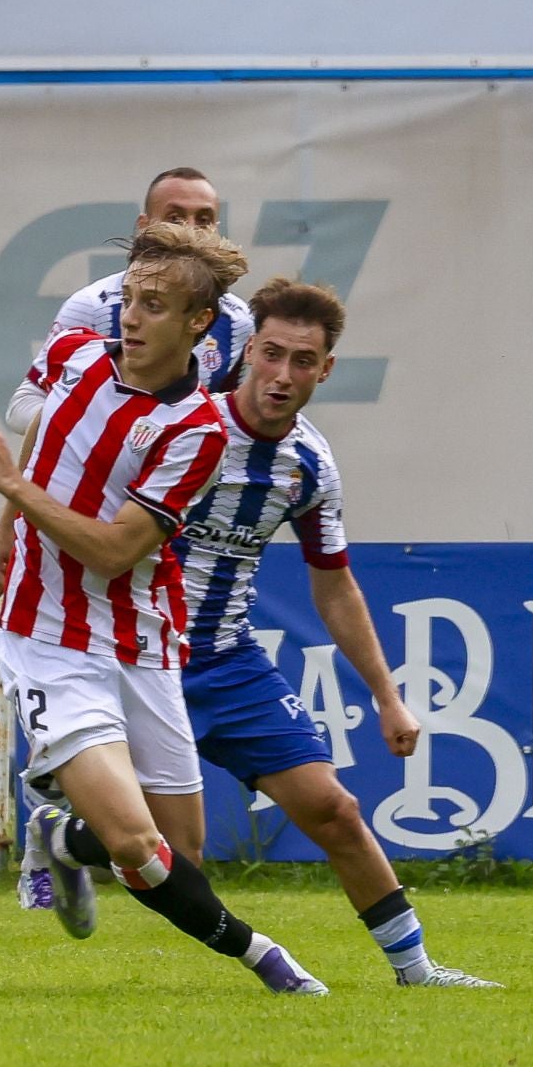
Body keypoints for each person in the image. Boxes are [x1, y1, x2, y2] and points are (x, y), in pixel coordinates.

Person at [0, 223, 327, 994]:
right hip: (47, 641)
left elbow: (112, 550)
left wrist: (9, 486)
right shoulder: (72, 359)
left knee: (181, 853)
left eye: (155, 305)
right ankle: (270, 961)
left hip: (141, 640)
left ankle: (63, 837)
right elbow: (40, 470)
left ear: (199, 322)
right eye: (129, 299)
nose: (130, 318)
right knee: (140, 847)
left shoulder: (197, 430)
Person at [169, 277, 499, 988]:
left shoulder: (310, 465)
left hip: (226, 659)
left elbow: (334, 582)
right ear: (247, 350)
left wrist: (387, 696)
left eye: (303, 361)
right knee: (172, 851)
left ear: (326, 370)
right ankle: (70, 836)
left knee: (334, 807)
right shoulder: (179, 424)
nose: (283, 375)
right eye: (272, 354)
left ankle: (416, 970)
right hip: (140, 656)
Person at [5, 167, 251, 434]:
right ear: (144, 226)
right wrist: (95, 437)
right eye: (175, 217)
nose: (191, 230)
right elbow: (22, 405)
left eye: (203, 220)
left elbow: (226, 422)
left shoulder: (239, 321)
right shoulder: (91, 306)